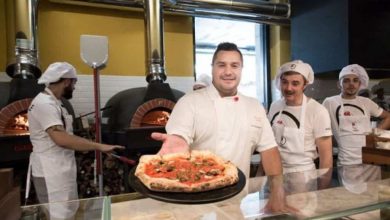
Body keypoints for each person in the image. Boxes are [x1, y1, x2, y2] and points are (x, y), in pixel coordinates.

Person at [152, 42, 292, 213]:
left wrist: (278, 191)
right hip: (194, 201)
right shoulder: (190, 102)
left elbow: (269, 151)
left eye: (234, 65)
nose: (228, 72)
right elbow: (178, 139)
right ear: (212, 68)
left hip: (237, 200)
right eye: (221, 65)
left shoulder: (254, 106)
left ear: (241, 69)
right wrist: (178, 146)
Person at [27, 62, 124, 218]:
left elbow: (65, 134)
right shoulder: (44, 104)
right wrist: (99, 146)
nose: (74, 87)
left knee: (68, 211)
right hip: (50, 170)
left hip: (61, 167)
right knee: (58, 215)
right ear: (66, 81)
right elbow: (61, 139)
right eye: (74, 82)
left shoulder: (56, 103)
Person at [268, 60, 333, 174]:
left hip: (303, 176)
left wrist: (323, 190)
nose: (288, 88)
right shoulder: (275, 106)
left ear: (305, 84)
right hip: (275, 172)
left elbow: (326, 159)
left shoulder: (317, 111)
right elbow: (268, 145)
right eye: (285, 82)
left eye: (295, 83)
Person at [322, 64, 390, 166]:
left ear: (359, 84)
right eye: (346, 80)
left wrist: (375, 134)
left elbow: (388, 116)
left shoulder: (366, 102)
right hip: (346, 162)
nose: (351, 84)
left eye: (355, 80)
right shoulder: (330, 102)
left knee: (374, 183)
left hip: (370, 159)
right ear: (339, 84)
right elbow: (320, 126)